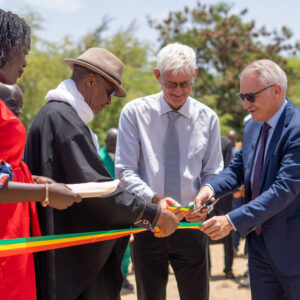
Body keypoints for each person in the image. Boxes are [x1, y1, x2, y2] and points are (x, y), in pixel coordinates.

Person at [24, 47, 179, 300]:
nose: (108, 102)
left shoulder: (54, 116)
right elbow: (97, 192)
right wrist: (154, 214)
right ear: (90, 80)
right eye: (109, 92)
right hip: (71, 268)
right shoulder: (64, 121)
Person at [115, 42, 223, 300]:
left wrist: (205, 204)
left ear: (195, 74)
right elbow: (125, 171)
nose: (178, 91)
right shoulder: (134, 113)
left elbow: (213, 173)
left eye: (185, 84)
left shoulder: (208, 119)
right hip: (149, 221)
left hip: (191, 224)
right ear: (157, 76)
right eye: (170, 84)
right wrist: (156, 201)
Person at [194, 59, 300, 300]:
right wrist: (209, 189)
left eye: (250, 96)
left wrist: (231, 221)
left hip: (294, 252)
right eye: (241, 97)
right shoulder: (254, 127)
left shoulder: (297, 129)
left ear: (277, 90)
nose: (245, 105)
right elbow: (237, 170)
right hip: (259, 249)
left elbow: (283, 189)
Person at [0, 9, 82, 300]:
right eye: (22, 51)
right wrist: (45, 195)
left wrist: (30, 179)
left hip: (13, 233)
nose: (24, 62)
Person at [99, 128, 134, 291]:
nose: (115, 145)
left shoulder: (124, 157)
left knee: (125, 245)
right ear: (106, 142)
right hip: (105, 209)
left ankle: (124, 277)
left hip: (123, 207)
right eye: (112, 143)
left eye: (117, 143)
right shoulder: (99, 157)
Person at [208, 136, 235, 279]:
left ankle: (228, 268)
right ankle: (207, 270)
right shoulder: (202, 140)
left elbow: (230, 167)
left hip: (223, 195)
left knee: (228, 230)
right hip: (205, 195)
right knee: (203, 230)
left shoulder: (224, 143)